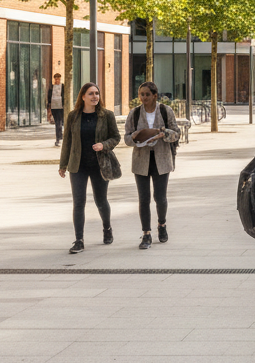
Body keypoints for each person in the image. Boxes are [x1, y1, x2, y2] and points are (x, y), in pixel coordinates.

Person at [58, 82, 120, 254]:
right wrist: (63, 165)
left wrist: (104, 144)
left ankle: (107, 228)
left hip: (99, 165)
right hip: (78, 166)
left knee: (101, 201)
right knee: (79, 203)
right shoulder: (73, 116)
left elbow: (116, 137)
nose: (95, 97)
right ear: (83, 96)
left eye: (97, 93)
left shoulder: (106, 115)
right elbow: (67, 142)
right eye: (91, 94)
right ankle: (79, 240)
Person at [123, 82, 181, 250]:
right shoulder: (134, 114)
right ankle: (146, 233)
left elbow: (176, 134)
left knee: (160, 198)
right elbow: (126, 139)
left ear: (155, 95)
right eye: (141, 94)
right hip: (141, 161)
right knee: (144, 198)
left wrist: (162, 133)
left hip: (161, 160)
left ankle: (162, 225)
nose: (144, 98)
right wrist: (137, 136)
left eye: (147, 94)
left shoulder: (165, 111)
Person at [47, 73, 65, 146]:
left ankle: (60, 138)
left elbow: (65, 96)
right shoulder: (51, 87)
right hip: (54, 107)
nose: (57, 80)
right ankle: (58, 138)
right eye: (56, 79)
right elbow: (49, 99)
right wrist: (49, 110)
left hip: (61, 107)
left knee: (60, 123)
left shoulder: (63, 87)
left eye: (58, 79)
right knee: (57, 123)